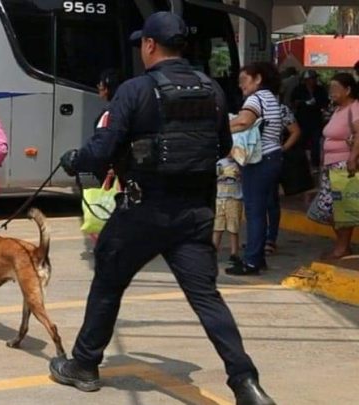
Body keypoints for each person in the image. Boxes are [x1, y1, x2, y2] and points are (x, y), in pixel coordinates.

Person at [51, 12, 275, 405]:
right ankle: (246, 383)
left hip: (143, 211)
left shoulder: (135, 90)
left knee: (108, 281)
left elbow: (102, 149)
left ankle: (84, 365)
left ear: (150, 45)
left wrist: (74, 158)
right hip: (194, 214)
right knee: (207, 298)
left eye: (142, 43)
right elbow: (223, 147)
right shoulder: (213, 90)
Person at [227, 62, 284, 276]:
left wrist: (218, 127)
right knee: (260, 208)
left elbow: (243, 122)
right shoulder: (270, 97)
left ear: (258, 79)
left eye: (244, 81)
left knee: (254, 211)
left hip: (260, 161)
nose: (241, 86)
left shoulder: (255, 98)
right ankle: (257, 258)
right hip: (273, 157)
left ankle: (251, 261)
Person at [307, 73, 359, 259]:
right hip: (331, 166)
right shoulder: (337, 110)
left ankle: (342, 246)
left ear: (348, 90)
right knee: (328, 208)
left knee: (338, 207)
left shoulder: (355, 108)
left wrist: (353, 158)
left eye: (336, 89)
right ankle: (342, 244)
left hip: (343, 166)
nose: (332, 92)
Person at [265, 101, 302, 255]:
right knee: (256, 203)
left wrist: (282, 148)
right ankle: (259, 238)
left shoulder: (280, 108)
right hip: (252, 159)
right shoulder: (249, 105)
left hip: (270, 158)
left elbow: (295, 131)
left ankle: (270, 238)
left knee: (271, 200)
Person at [291, 69, 329, 167]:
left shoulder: (320, 90)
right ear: (306, 80)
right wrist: (302, 102)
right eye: (311, 79)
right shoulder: (299, 89)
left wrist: (320, 106)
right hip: (302, 120)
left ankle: (315, 164)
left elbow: (325, 102)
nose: (313, 81)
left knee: (316, 143)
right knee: (301, 143)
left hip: (315, 120)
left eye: (314, 78)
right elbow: (293, 102)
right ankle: (300, 164)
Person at [213, 157, 243, 265]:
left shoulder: (241, 163)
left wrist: (240, 174)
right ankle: (213, 252)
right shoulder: (218, 163)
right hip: (219, 199)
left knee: (233, 228)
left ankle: (234, 253)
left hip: (234, 199)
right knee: (217, 227)